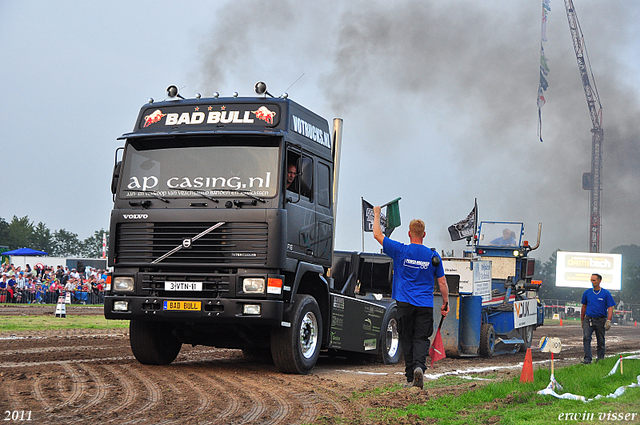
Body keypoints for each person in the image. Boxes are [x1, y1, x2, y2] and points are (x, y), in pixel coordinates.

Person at [372, 205, 449, 389]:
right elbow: (443, 283)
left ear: (409, 233)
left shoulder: (400, 250)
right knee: (421, 338)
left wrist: (376, 214)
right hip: (424, 304)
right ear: (424, 234)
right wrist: (445, 303)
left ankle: (409, 377)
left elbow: (377, 235)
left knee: (406, 338)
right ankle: (419, 368)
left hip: (404, 303)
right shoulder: (433, 256)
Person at [580, 273, 615, 364]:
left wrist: (609, 320)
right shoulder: (587, 293)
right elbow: (584, 306)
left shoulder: (605, 293)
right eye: (591, 280)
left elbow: (610, 307)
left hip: (600, 320)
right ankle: (587, 359)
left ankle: (600, 359)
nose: (592, 282)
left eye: (594, 280)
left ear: (599, 281)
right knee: (586, 338)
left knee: (600, 340)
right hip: (588, 319)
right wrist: (582, 320)